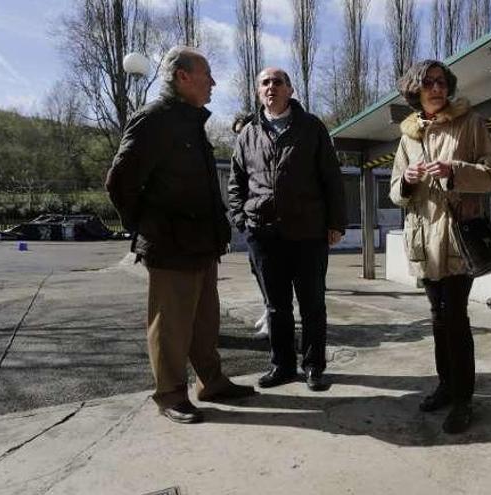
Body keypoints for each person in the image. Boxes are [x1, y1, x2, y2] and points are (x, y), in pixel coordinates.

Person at [105, 46, 255, 425]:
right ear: (182, 77)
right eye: (207, 75)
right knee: (171, 325)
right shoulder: (154, 119)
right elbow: (119, 182)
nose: (214, 83)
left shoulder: (190, 122)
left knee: (205, 322)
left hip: (201, 242)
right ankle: (171, 394)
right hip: (170, 245)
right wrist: (145, 227)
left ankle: (212, 381)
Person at [389, 60, 491, 434]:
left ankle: (463, 400)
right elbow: (395, 193)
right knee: (438, 319)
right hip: (423, 241)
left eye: (441, 82)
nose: (436, 88)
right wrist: (406, 181)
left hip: (457, 239)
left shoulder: (470, 123)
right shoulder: (408, 136)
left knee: (455, 319)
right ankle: (445, 385)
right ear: (415, 91)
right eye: (428, 83)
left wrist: (455, 169)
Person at [228, 68, 346, 392]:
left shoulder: (311, 128)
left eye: (277, 82)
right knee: (276, 306)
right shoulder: (248, 134)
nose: (271, 87)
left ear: (290, 90)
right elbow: (236, 183)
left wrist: (336, 223)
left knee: (312, 304)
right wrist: (242, 220)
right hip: (264, 236)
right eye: (264, 83)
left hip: (308, 233)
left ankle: (313, 367)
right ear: (258, 92)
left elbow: (331, 178)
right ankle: (281, 366)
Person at [231, 111, 269, 339]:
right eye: (237, 133)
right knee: (257, 270)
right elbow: (235, 186)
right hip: (251, 224)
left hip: (269, 223)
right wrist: (240, 218)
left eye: (243, 130)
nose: (240, 136)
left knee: (268, 274)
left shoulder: (263, 149)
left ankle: (273, 316)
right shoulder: (241, 153)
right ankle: (268, 309)